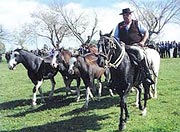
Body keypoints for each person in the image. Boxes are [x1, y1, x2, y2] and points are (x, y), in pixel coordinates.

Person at [114, 8, 154, 85]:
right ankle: (114, 79)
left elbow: (146, 32)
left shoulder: (137, 23)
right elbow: (116, 37)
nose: (126, 17)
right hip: (124, 47)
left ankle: (147, 76)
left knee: (141, 54)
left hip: (136, 46)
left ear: (130, 15)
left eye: (127, 15)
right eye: (124, 15)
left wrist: (142, 42)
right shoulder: (119, 25)